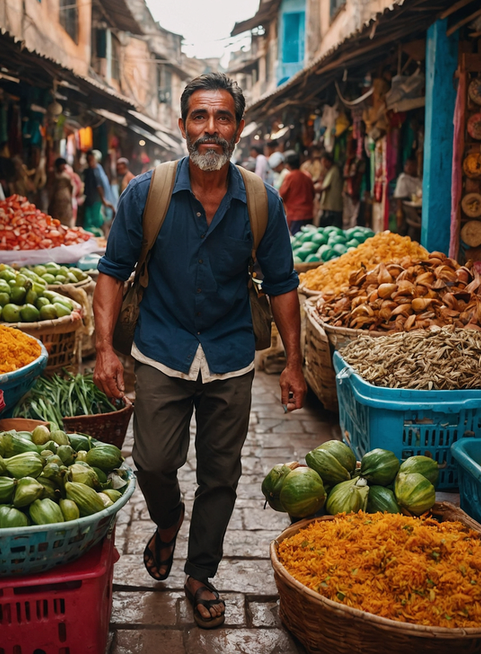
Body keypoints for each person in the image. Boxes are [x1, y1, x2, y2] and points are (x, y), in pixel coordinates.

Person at [92, 73, 305, 630]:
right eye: (200, 117)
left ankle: (200, 572)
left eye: (223, 118)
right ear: (183, 124)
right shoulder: (148, 192)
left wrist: (296, 362)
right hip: (161, 349)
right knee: (154, 462)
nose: (211, 129)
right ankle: (166, 523)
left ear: (238, 127)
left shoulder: (261, 201)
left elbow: (283, 283)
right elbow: (112, 272)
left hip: (232, 356)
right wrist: (105, 349)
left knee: (221, 474)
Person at [280, 150, 315, 234]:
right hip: (308, 213)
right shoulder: (307, 176)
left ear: (288, 165)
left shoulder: (289, 177)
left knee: (297, 241)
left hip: (295, 215)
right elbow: (313, 193)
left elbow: (282, 195)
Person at [82, 151, 115, 234]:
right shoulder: (88, 171)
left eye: (91, 159)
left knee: (95, 222)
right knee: (89, 222)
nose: (90, 161)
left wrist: (103, 200)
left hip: (95, 200)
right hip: (89, 200)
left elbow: (99, 186)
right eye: (88, 159)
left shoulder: (95, 171)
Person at [314, 152, 343, 228]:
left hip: (333, 207)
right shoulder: (329, 171)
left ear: (328, 161)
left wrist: (311, 188)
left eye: (323, 162)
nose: (323, 165)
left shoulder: (334, 170)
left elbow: (324, 187)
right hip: (330, 207)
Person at [393, 157, 422, 233]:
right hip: (407, 210)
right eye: (407, 165)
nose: (409, 167)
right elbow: (399, 198)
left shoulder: (419, 179)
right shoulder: (403, 178)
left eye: (411, 165)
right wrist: (400, 214)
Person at [47, 158, 76, 226]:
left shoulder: (67, 176)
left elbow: (71, 187)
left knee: (66, 222)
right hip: (56, 203)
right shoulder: (53, 175)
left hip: (65, 203)